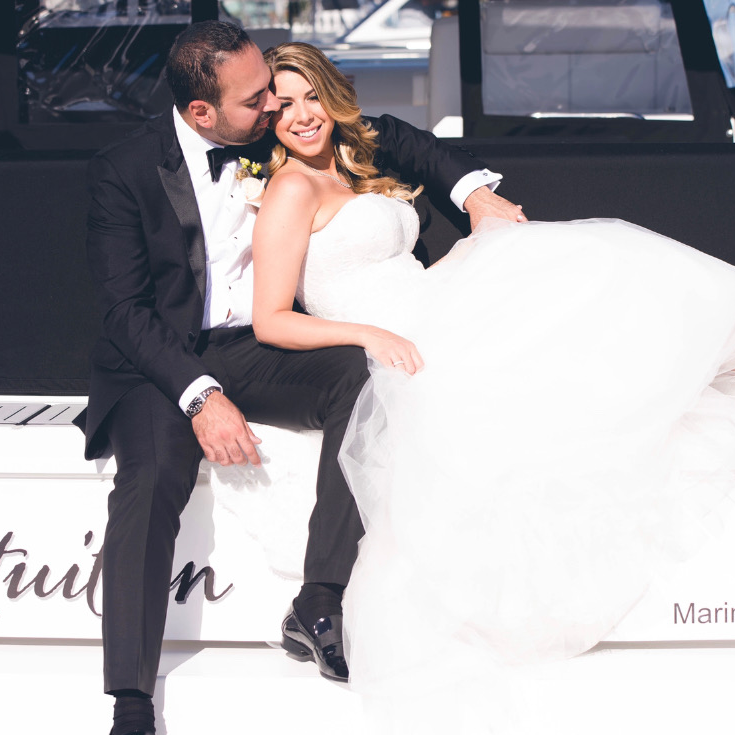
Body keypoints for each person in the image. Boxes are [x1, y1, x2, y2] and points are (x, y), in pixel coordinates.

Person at [250, 42, 735, 732]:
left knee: (590, 266)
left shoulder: (353, 163)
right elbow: (271, 318)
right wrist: (368, 335)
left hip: (425, 311)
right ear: (265, 117)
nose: (302, 115)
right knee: (583, 281)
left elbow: (402, 191)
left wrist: (474, 223)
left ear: (332, 95)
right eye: (284, 106)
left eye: (311, 96)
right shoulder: (290, 189)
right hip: (398, 345)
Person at [79, 21, 522, 735]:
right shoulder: (124, 170)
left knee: (363, 374)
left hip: (254, 344)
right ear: (203, 112)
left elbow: (392, 138)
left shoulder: (270, 129)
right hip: (161, 360)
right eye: (257, 99)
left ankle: (319, 598)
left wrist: (474, 194)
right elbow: (126, 313)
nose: (273, 109)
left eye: (273, 94)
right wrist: (199, 395)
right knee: (150, 479)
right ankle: (130, 702)